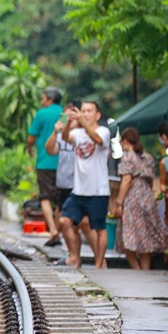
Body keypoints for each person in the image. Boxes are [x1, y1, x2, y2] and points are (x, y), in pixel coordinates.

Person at [59, 101, 111, 269]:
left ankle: (99, 265)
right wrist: (68, 123)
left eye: (89, 111)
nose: (86, 114)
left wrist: (82, 123)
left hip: (98, 190)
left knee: (99, 228)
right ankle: (75, 257)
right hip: (79, 191)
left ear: (97, 115)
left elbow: (96, 139)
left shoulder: (103, 131)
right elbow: (66, 137)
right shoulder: (78, 133)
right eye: (83, 111)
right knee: (65, 221)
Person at [44, 101, 95, 248]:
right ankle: (73, 255)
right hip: (64, 183)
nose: (69, 120)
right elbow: (50, 150)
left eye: (71, 116)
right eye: (66, 117)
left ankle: (97, 258)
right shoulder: (62, 136)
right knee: (67, 221)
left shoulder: (84, 135)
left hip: (80, 185)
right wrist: (55, 131)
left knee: (81, 223)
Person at [113, 128, 165, 270]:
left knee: (128, 238)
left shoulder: (127, 156)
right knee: (144, 239)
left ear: (125, 141)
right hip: (147, 197)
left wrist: (118, 202)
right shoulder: (147, 157)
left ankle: (137, 272)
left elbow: (126, 180)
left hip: (132, 198)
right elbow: (151, 180)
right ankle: (145, 271)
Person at [27, 86, 63, 247]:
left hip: (44, 161)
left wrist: (30, 150)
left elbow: (31, 138)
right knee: (60, 199)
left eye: (42, 98)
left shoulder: (42, 114)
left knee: (45, 197)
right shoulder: (64, 114)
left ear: (49, 99)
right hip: (63, 162)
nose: (41, 101)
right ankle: (59, 232)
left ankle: (53, 230)